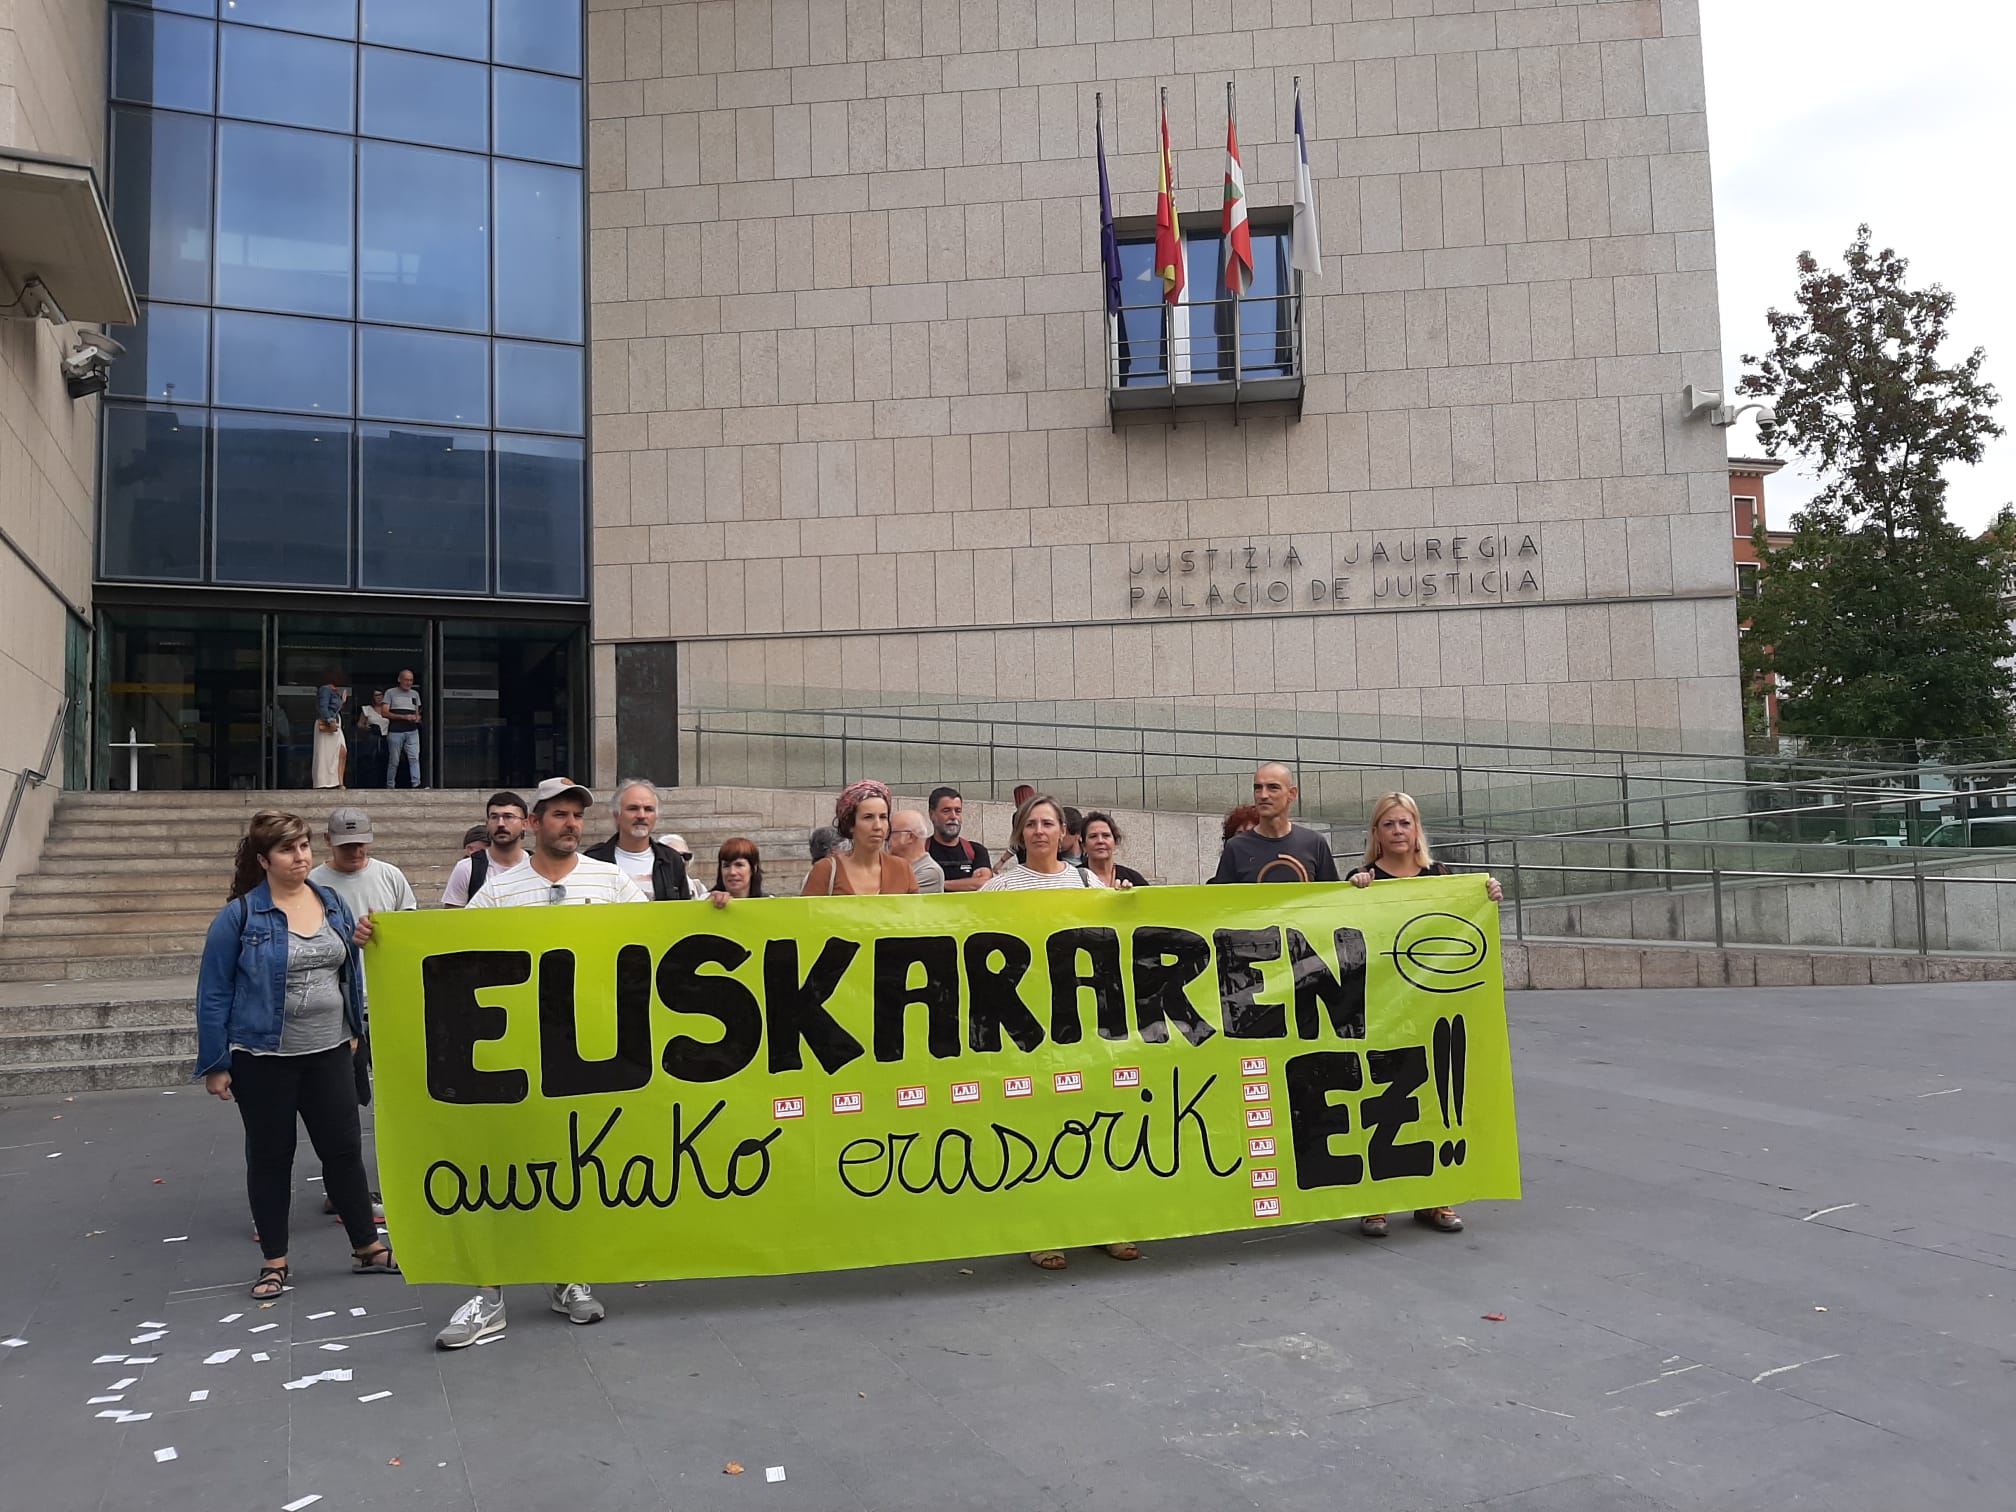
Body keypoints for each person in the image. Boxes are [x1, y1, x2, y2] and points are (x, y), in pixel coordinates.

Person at [436, 779, 648, 1350]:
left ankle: (567, 1278)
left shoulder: (611, 881)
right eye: (559, 815)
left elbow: (658, 941)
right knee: (497, 1170)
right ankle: (488, 1293)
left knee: (572, 1169)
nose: (570, 824)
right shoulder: (499, 892)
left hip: (584, 1058)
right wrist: (379, 938)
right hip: (514, 1058)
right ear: (533, 824)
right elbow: (448, 949)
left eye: (577, 815)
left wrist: (717, 910)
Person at [196, 810, 397, 1298]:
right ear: (264, 860)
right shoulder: (240, 916)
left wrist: (358, 952)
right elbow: (214, 992)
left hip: (330, 1051)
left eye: (305, 846)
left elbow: (346, 968)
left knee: (344, 1152)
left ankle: (366, 1247)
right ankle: (275, 1261)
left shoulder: (330, 902)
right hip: (263, 1058)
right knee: (270, 1157)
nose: (300, 857)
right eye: (288, 850)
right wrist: (216, 1063)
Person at [981, 796, 1132, 1269]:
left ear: (1064, 833)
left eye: (1048, 823)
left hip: (1081, 1021)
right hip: (1025, 1025)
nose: (1040, 831)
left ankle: (1108, 1223)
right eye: (1032, 824)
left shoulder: (1085, 881)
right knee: (1038, 1124)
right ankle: (1043, 1230)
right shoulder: (998, 889)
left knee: (1097, 1118)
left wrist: (1126, 899)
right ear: (1020, 833)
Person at [1346, 791, 1503, 1239]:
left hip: (1433, 1009)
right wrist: (1354, 892)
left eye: (1405, 823)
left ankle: (1435, 1197)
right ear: (1375, 833)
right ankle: (1373, 1200)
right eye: (1389, 824)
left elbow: (1462, 928)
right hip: (1380, 1008)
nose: (1398, 831)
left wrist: (1487, 894)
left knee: (1436, 1097)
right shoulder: (1362, 879)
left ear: (1417, 830)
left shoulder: (1441, 877)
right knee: (1378, 1097)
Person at [1209, 763, 1341, 884]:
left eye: (1273, 787)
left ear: (1292, 794)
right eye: (1258, 788)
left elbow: (1332, 899)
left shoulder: (1314, 843)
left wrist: (1357, 882)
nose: (1263, 795)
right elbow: (1224, 904)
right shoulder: (1236, 848)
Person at [584, 780, 700, 902]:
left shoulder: (672, 860)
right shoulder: (594, 859)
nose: (641, 815)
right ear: (616, 815)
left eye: (649, 809)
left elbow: (683, 912)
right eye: (633, 808)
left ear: (656, 816)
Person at [803, 780, 917, 896]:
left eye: (883, 817)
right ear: (851, 825)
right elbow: (806, 913)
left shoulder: (902, 869)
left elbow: (916, 913)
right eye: (868, 817)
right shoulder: (825, 871)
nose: (877, 826)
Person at [309, 807, 419, 922]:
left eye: (359, 845)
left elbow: (409, 921)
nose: (354, 852)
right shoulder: (312, 882)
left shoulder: (391, 875)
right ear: (328, 839)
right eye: (346, 846)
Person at [440, 791, 531, 907]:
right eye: (494, 817)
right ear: (487, 823)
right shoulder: (467, 868)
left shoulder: (537, 867)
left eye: (508, 817)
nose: (501, 824)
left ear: (524, 824)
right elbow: (452, 921)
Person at [925, 786, 993, 891]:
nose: (953, 816)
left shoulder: (976, 850)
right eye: (946, 811)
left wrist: (937, 885)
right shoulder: (920, 850)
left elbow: (984, 883)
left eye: (958, 811)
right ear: (931, 814)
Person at [1080, 812, 1148, 889]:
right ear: (1084, 845)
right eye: (1093, 836)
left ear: (1115, 842)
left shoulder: (1134, 879)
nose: (1100, 841)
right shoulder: (1073, 878)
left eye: (1106, 835)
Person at [381, 669, 422, 788]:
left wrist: (417, 717)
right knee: (394, 760)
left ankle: (416, 783)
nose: (408, 683)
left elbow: (417, 711)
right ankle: (390, 785)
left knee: (414, 757)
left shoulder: (415, 694)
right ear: (399, 680)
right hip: (395, 731)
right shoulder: (390, 693)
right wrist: (404, 717)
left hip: (412, 730)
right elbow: (384, 712)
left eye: (411, 680)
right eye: (406, 680)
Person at [889, 809, 944, 893]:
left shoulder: (929, 872)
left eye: (891, 833)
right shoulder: (893, 865)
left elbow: (891, 900)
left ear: (910, 837)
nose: (885, 838)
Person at [312, 670, 347, 789]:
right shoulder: (325, 689)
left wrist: (342, 701)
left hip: (336, 723)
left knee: (341, 752)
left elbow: (334, 707)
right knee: (326, 754)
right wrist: (329, 720)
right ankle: (324, 782)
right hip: (329, 724)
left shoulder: (333, 690)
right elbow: (323, 706)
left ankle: (339, 781)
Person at [657, 832, 713, 899]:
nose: (682, 861)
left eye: (686, 856)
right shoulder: (651, 887)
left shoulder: (698, 888)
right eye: (675, 856)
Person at [353, 691, 389, 788]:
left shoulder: (389, 709)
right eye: (376, 695)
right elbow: (360, 724)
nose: (379, 697)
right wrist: (368, 728)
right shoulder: (367, 709)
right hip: (371, 739)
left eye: (381, 695)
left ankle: (385, 784)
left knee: (386, 763)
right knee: (371, 763)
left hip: (386, 739)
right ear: (372, 697)